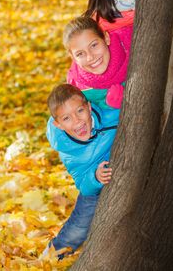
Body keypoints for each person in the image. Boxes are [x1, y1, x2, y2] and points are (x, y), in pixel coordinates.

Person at [43, 84, 119, 258]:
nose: (77, 121)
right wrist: (94, 177)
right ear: (59, 124)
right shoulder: (68, 152)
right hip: (93, 186)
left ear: (89, 107)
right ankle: (52, 255)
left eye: (79, 111)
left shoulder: (108, 114)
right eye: (67, 118)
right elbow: (83, 184)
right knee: (79, 226)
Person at [65, 16, 132, 109]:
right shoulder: (76, 84)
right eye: (80, 54)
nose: (90, 57)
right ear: (73, 57)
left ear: (106, 38)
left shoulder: (130, 45)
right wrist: (110, 107)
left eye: (94, 45)